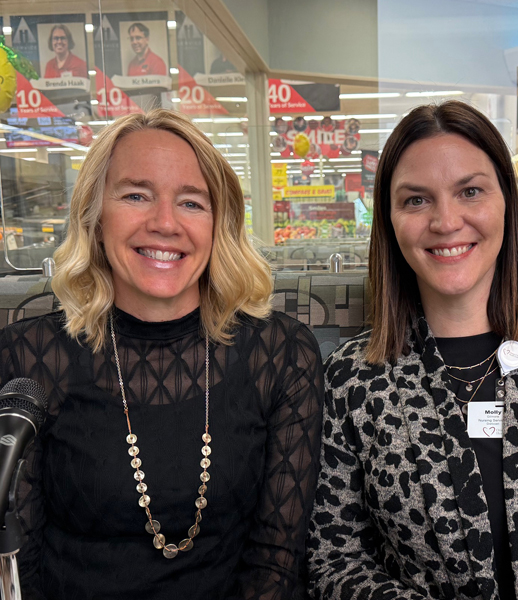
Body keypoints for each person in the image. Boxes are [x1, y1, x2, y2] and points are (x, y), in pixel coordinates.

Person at [1, 108, 323, 599]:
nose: (165, 223)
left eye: (191, 202)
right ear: (95, 216)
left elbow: (276, 563)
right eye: (136, 195)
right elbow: (19, 565)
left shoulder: (281, 355)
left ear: (218, 224)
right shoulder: (28, 358)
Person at [307, 101, 518, 599]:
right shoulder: (352, 381)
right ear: (390, 221)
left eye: (470, 191)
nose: (445, 221)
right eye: (416, 200)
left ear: (506, 202)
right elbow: (333, 557)